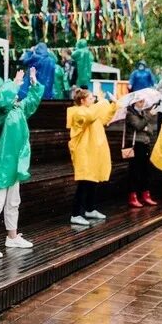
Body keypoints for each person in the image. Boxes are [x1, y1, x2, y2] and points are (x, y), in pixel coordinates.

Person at [0, 69, 43, 258]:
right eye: (11, 92)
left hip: (15, 164)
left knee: (14, 202)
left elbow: (32, 101)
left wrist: (34, 82)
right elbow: (1, 102)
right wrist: (14, 83)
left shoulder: (18, 110)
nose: (15, 95)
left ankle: (12, 237)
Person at [67, 88, 118, 226]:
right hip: (84, 153)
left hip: (94, 152)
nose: (93, 100)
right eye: (90, 98)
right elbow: (88, 117)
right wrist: (101, 103)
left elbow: (105, 117)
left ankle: (90, 209)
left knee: (92, 181)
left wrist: (113, 105)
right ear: (82, 100)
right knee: (84, 183)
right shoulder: (78, 112)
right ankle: (76, 214)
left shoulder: (92, 111)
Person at [125, 99, 159, 208]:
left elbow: (150, 130)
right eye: (140, 102)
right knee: (134, 171)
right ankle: (133, 197)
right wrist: (148, 117)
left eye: (143, 102)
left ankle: (145, 195)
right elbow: (138, 126)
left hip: (145, 144)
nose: (142, 104)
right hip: (136, 145)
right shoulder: (130, 114)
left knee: (145, 170)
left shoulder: (143, 113)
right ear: (134, 103)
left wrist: (145, 125)